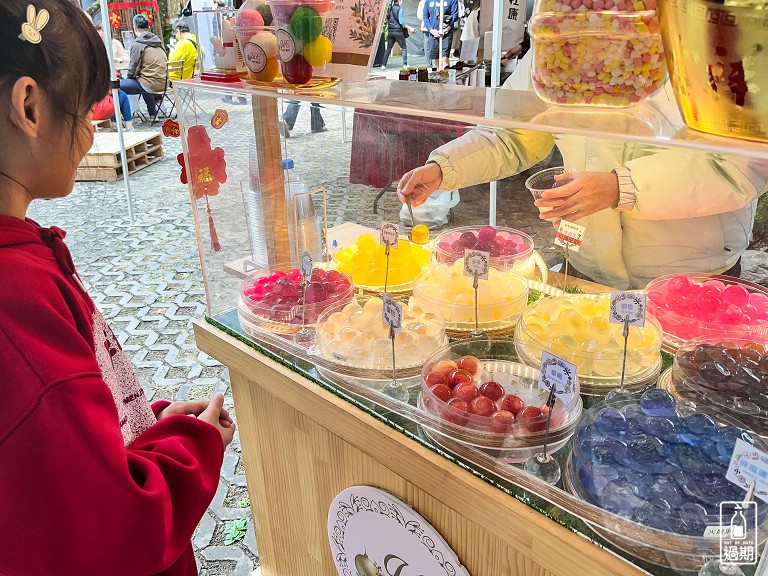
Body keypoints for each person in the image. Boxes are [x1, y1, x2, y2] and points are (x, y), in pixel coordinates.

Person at [0, 2, 233, 574]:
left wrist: (152, 429)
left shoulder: (24, 258)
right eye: (85, 109)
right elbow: (115, 525)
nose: (93, 130)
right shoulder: (17, 301)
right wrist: (194, 447)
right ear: (29, 106)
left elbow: (56, 462)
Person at [397, 51, 768, 289]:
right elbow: (512, 132)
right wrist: (444, 167)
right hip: (586, 264)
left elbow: (741, 162)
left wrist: (621, 187)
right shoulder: (559, 43)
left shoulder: (709, 41)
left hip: (692, 274)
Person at [120, 13, 168, 118]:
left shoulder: (138, 44)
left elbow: (133, 68)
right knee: (144, 80)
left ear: (134, 28)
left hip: (150, 85)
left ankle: (120, 118)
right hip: (164, 83)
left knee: (115, 86)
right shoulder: (157, 41)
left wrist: (130, 79)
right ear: (148, 27)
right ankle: (152, 113)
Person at [423, 0, 458, 69]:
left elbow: (455, 15)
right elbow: (425, 16)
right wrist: (431, 30)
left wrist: (447, 29)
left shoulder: (452, 1)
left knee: (445, 58)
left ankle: (446, 74)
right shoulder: (429, 1)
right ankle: (438, 74)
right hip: (433, 33)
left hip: (446, 33)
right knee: (436, 58)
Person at [382, 0, 414, 68]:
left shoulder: (390, 8)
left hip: (390, 31)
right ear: (399, 1)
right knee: (404, 48)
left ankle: (383, 65)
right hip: (398, 31)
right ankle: (405, 64)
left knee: (388, 48)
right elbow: (401, 21)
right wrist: (410, 28)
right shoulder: (399, 9)